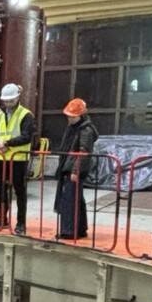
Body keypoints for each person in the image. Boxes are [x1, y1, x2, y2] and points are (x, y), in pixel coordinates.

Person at [0, 83, 35, 235]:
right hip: (1, 158)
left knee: (20, 191)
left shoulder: (26, 115)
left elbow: (26, 137)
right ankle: (2, 219)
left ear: (17, 98)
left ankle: (21, 223)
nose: (8, 104)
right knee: (1, 190)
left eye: (11, 101)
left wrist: (7, 143)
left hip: (18, 159)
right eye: (6, 101)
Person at [54, 98, 98, 240]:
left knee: (70, 200)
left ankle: (69, 230)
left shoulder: (85, 130)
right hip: (72, 166)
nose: (70, 119)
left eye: (73, 116)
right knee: (76, 199)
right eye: (69, 116)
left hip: (75, 169)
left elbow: (83, 152)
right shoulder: (76, 128)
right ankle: (79, 229)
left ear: (81, 115)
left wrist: (75, 170)